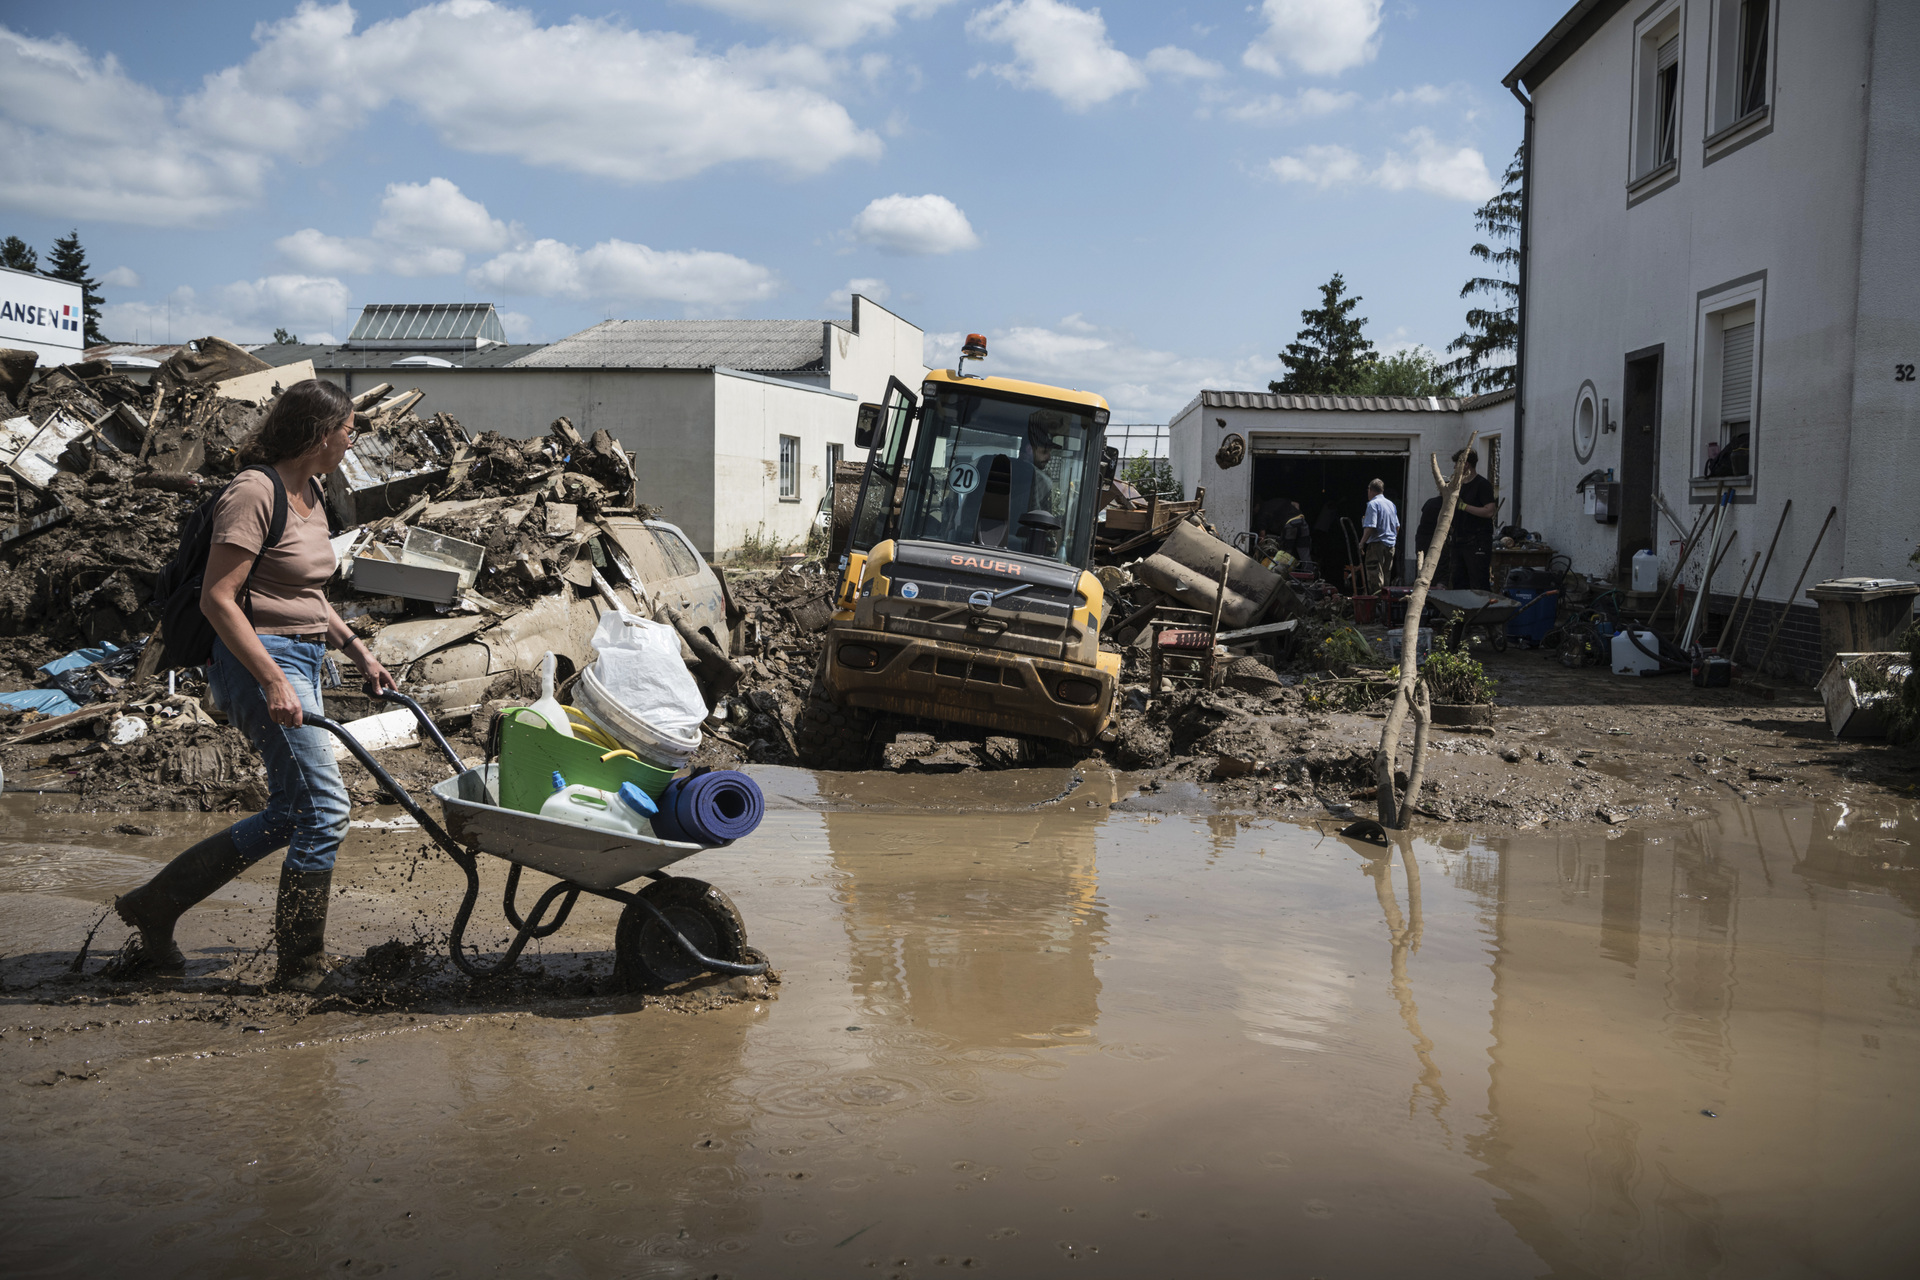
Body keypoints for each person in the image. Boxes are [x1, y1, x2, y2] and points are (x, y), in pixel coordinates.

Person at [108, 380, 398, 993]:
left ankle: (157, 905)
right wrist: (271, 679)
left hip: (304, 658)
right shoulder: (252, 492)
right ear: (321, 435)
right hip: (257, 662)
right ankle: (301, 969)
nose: (354, 438)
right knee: (324, 811)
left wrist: (357, 649)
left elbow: (308, 591)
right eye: (349, 429)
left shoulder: (313, 490)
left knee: (294, 811)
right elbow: (218, 598)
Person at [1449, 447, 1497, 591]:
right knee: (1458, 582)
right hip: (1459, 541)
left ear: (1466, 464)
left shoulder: (1482, 485)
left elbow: (1489, 511)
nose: (1454, 467)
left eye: (1457, 464)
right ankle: (1461, 614)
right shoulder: (1459, 486)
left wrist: (1463, 507)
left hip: (1477, 542)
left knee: (1478, 582)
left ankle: (1482, 612)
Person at [1359, 478, 1398, 593]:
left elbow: (1371, 526)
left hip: (1377, 545)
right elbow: (1397, 526)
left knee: (1374, 576)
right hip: (1390, 545)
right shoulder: (1391, 504)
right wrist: (1393, 538)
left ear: (1370, 490)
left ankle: (1376, 604)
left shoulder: (1373, 504)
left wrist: (1361, 543)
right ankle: (1385, 605)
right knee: (1386, 576)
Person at [1413, 492, 1448, 574]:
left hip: (1422, 536)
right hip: (1436, 537)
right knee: (1441, 564)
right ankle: (1439, 584)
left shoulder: (1430, 502)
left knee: (1423, 563)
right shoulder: (1446, 504)